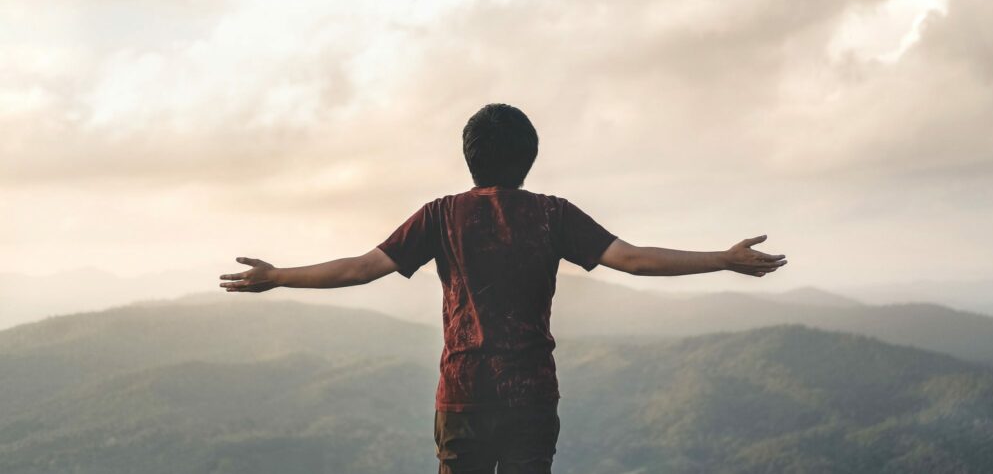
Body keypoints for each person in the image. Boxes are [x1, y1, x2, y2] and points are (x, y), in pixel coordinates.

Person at [219, 103, 788, 473]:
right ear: (529, 159)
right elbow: (635, 260)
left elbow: (358, 269)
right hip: (529, 394)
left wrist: (277, 276)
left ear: (469, 159)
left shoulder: (440, 216)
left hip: (463, 391)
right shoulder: (553, 215)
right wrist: (725, 259)